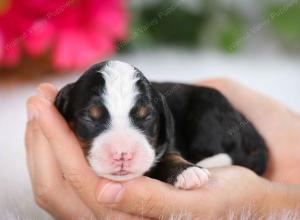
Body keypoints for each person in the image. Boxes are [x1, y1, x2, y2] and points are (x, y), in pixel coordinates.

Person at [25, 78, 300, 219]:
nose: (121, 150)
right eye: (92, 119)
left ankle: (232, 156)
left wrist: (272, 202)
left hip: (207, 115)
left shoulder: (176, 109)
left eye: (142, 118)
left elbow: (166, 149)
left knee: (203, 127)